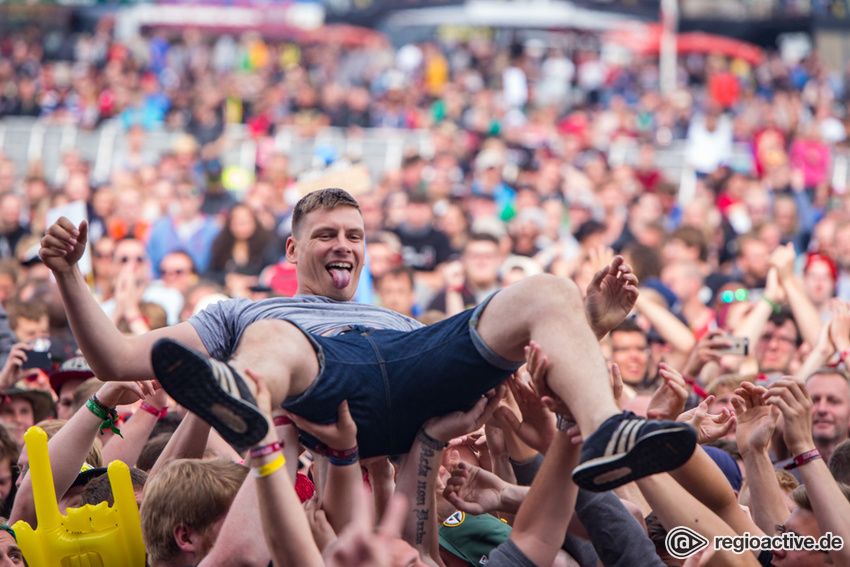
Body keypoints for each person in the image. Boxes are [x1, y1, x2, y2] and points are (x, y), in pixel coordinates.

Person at [40, 188, 697, 492]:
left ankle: (609, 427)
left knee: (550, 290)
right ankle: (245, 398)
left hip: (411, 362)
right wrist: (69, 275)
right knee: (274, 332)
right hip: (318, 383)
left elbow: (527, 381)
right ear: (294, 247)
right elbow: (121, 358)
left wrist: (592, 324)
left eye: (355, 235)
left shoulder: (400, 316)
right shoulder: (247, 309)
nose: (344, 245)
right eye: (328, 233)